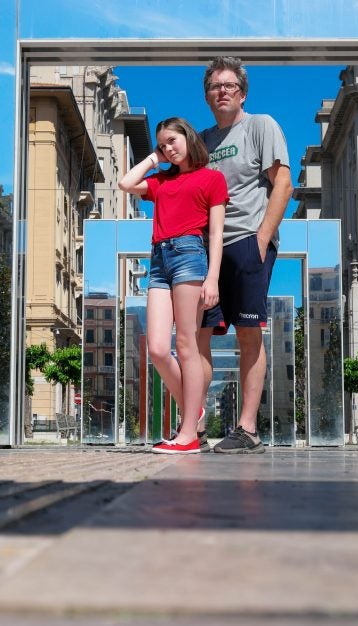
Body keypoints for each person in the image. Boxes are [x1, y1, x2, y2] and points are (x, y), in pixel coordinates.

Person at [198, 56, 293, 454]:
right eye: (215, 86)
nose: (222, 91)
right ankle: (195, 425)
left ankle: (248, 429)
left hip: (247, 243)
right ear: (207, 96)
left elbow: (283, 183)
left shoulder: (260, 125)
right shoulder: (201, 140)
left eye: (229, 85)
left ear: (243, 92)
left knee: (248, 333)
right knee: (199, 335)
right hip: (209, 250)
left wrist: (261, 238)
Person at [119, 117, 227, 454]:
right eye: (163, 144)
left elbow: (216, 233)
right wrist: (153, 158)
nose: (168, 148)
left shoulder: (212, 178)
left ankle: (188, 434)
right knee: (155, 348)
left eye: (173, 141)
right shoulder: (161, 181)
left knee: (186, 344)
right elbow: (125, 183)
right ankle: (193, 413)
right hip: (159, 261)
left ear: (188, 137)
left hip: (190, 255)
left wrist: (212, 278)